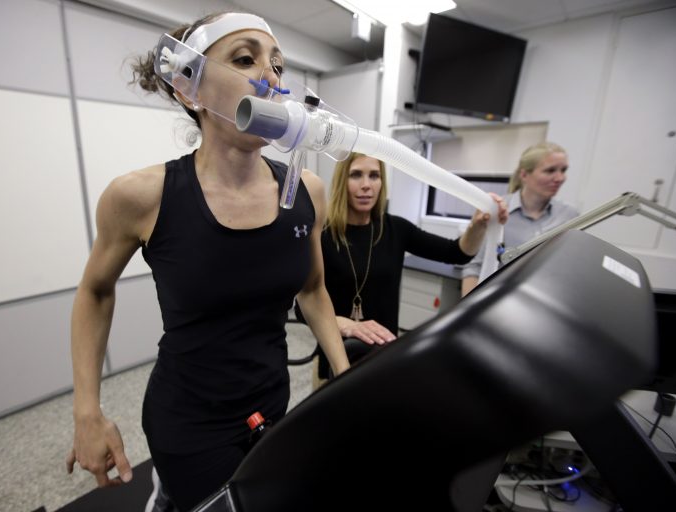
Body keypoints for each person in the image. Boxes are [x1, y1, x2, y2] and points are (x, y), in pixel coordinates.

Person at [64, 12, 350, 512]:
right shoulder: (141, 196)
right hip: (187, 420)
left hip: (272, 402)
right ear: (188, 87)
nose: (270, 78)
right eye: (244, 59)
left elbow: (312, 290)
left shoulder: (307, 191)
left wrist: (345, 379)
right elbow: (94, 291)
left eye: (277, 65)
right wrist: (86, 411)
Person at [297, 152, 508, 379]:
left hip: (383, 355)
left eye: (374, 176)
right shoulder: (323, 234)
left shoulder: (395, 229)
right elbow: (302, 308)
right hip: (334, 358)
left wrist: (478, 225)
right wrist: (347, 325)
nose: (366, 185)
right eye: (356, 175)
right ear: (341, 181)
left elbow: (457, 253)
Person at [461, 141, 580, 296]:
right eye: (550, 170)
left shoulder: (569, 215)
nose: (560, 178)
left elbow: (570, 268)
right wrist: (469, 307)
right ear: (524, 175)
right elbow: (474, 268)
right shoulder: (496, 211)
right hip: (500, 297)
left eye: (563, 170)